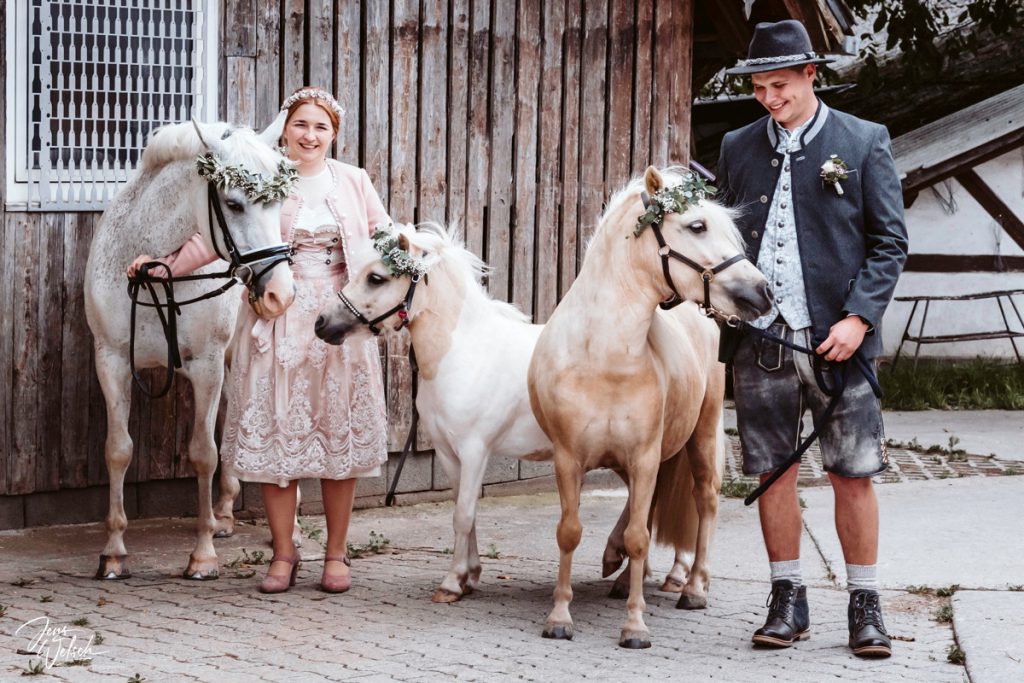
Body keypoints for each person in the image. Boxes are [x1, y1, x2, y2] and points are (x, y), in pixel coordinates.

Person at [127, 87, 390, 594]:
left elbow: (383, 238)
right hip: (278, 321)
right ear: (285, 129)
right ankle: (284, 554)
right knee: (279, 445)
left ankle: (336, 555)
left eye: (321, 127)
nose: (309, 135)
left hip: (339, 325)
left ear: (333, 135)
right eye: (301, 124)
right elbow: (215, 238)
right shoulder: (263, 176)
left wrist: (404, 269)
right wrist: (166, 265)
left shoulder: (354, 181)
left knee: (338, 443)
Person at [716, 21, 908, 657]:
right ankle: (786, 599)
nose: (770, 98)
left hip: (838, 341)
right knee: (773, 474)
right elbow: (724, 242)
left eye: (781, 85)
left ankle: (865, 605)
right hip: (761, 341)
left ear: (810, 76)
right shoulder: (737, 146)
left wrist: (859, 318)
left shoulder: (863, 140)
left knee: (852, 473)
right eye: (760, 88)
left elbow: (889, 244)